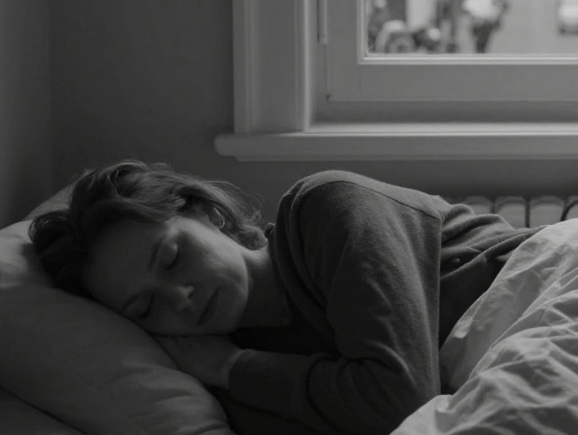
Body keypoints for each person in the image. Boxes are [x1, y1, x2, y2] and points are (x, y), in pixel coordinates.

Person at [29, 162, 544, 435]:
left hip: (551, 289)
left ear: (208, 214)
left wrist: (233, 368)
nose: (180, 297)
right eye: (146, 308)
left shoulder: (326, 209)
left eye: (172, 258)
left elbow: (399, 402)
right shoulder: (232, 377)